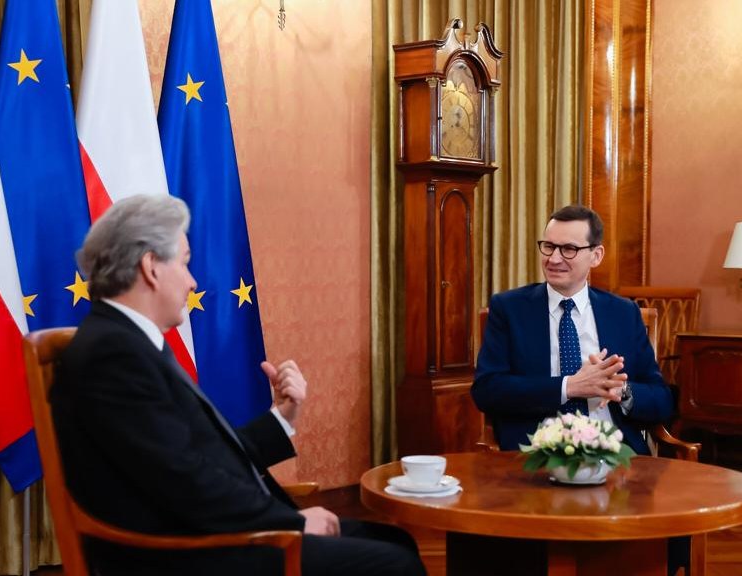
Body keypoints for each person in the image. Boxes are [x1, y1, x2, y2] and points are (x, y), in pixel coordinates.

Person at [51, 194, 425, 576]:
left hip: (208, 536)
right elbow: (184, 482)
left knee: (395, 541)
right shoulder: (113, 355)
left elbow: (198, 457)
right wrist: (292, 526)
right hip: (188, 555)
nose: (193, 281)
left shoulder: (127, 342)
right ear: (151, 267)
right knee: (394, 564)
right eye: (185, 263)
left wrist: (281, 418)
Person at [472, 204, 685, 575]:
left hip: (619, 459)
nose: (554, 258)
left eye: (568, 249)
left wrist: (623, 391)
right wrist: (571, 386)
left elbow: (662, 398)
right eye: (547, 247)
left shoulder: (623, 313)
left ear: (595, 255)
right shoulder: (510, 309)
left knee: (666, 536)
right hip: (537, 457)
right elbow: (487, 390)